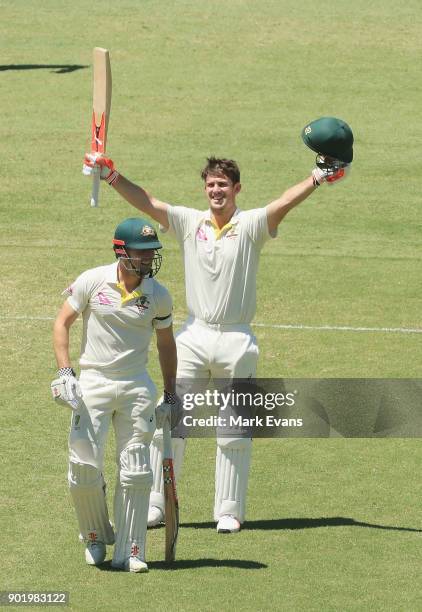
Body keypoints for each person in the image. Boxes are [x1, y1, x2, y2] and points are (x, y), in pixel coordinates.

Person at [83, 116, 353, 533]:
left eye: (223, 185)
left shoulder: (251, 226)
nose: (215, 191)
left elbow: (283, 202)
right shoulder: (190, 222)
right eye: (210, 184)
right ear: (204, 188)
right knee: (171, 423)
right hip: (193, 335)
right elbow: (147, 203)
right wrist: (110, 173)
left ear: (236, 189)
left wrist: (316, 178)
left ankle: (227, 511)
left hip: (237, 340)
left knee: (232, 432)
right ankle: (157, 504)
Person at [51, 217, 180, 572]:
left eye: (152, 252)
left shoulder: (159, 295)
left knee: (136, 471)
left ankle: (132, 549)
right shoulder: (93, 280)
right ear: (122, 252)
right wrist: (65, 372)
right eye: (142, 252)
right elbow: (62, 322)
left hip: (137, 386)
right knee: (82, 466)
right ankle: (94, 537)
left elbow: (166, 346)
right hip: (93, 383)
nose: (149, 259)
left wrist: (171, 394)